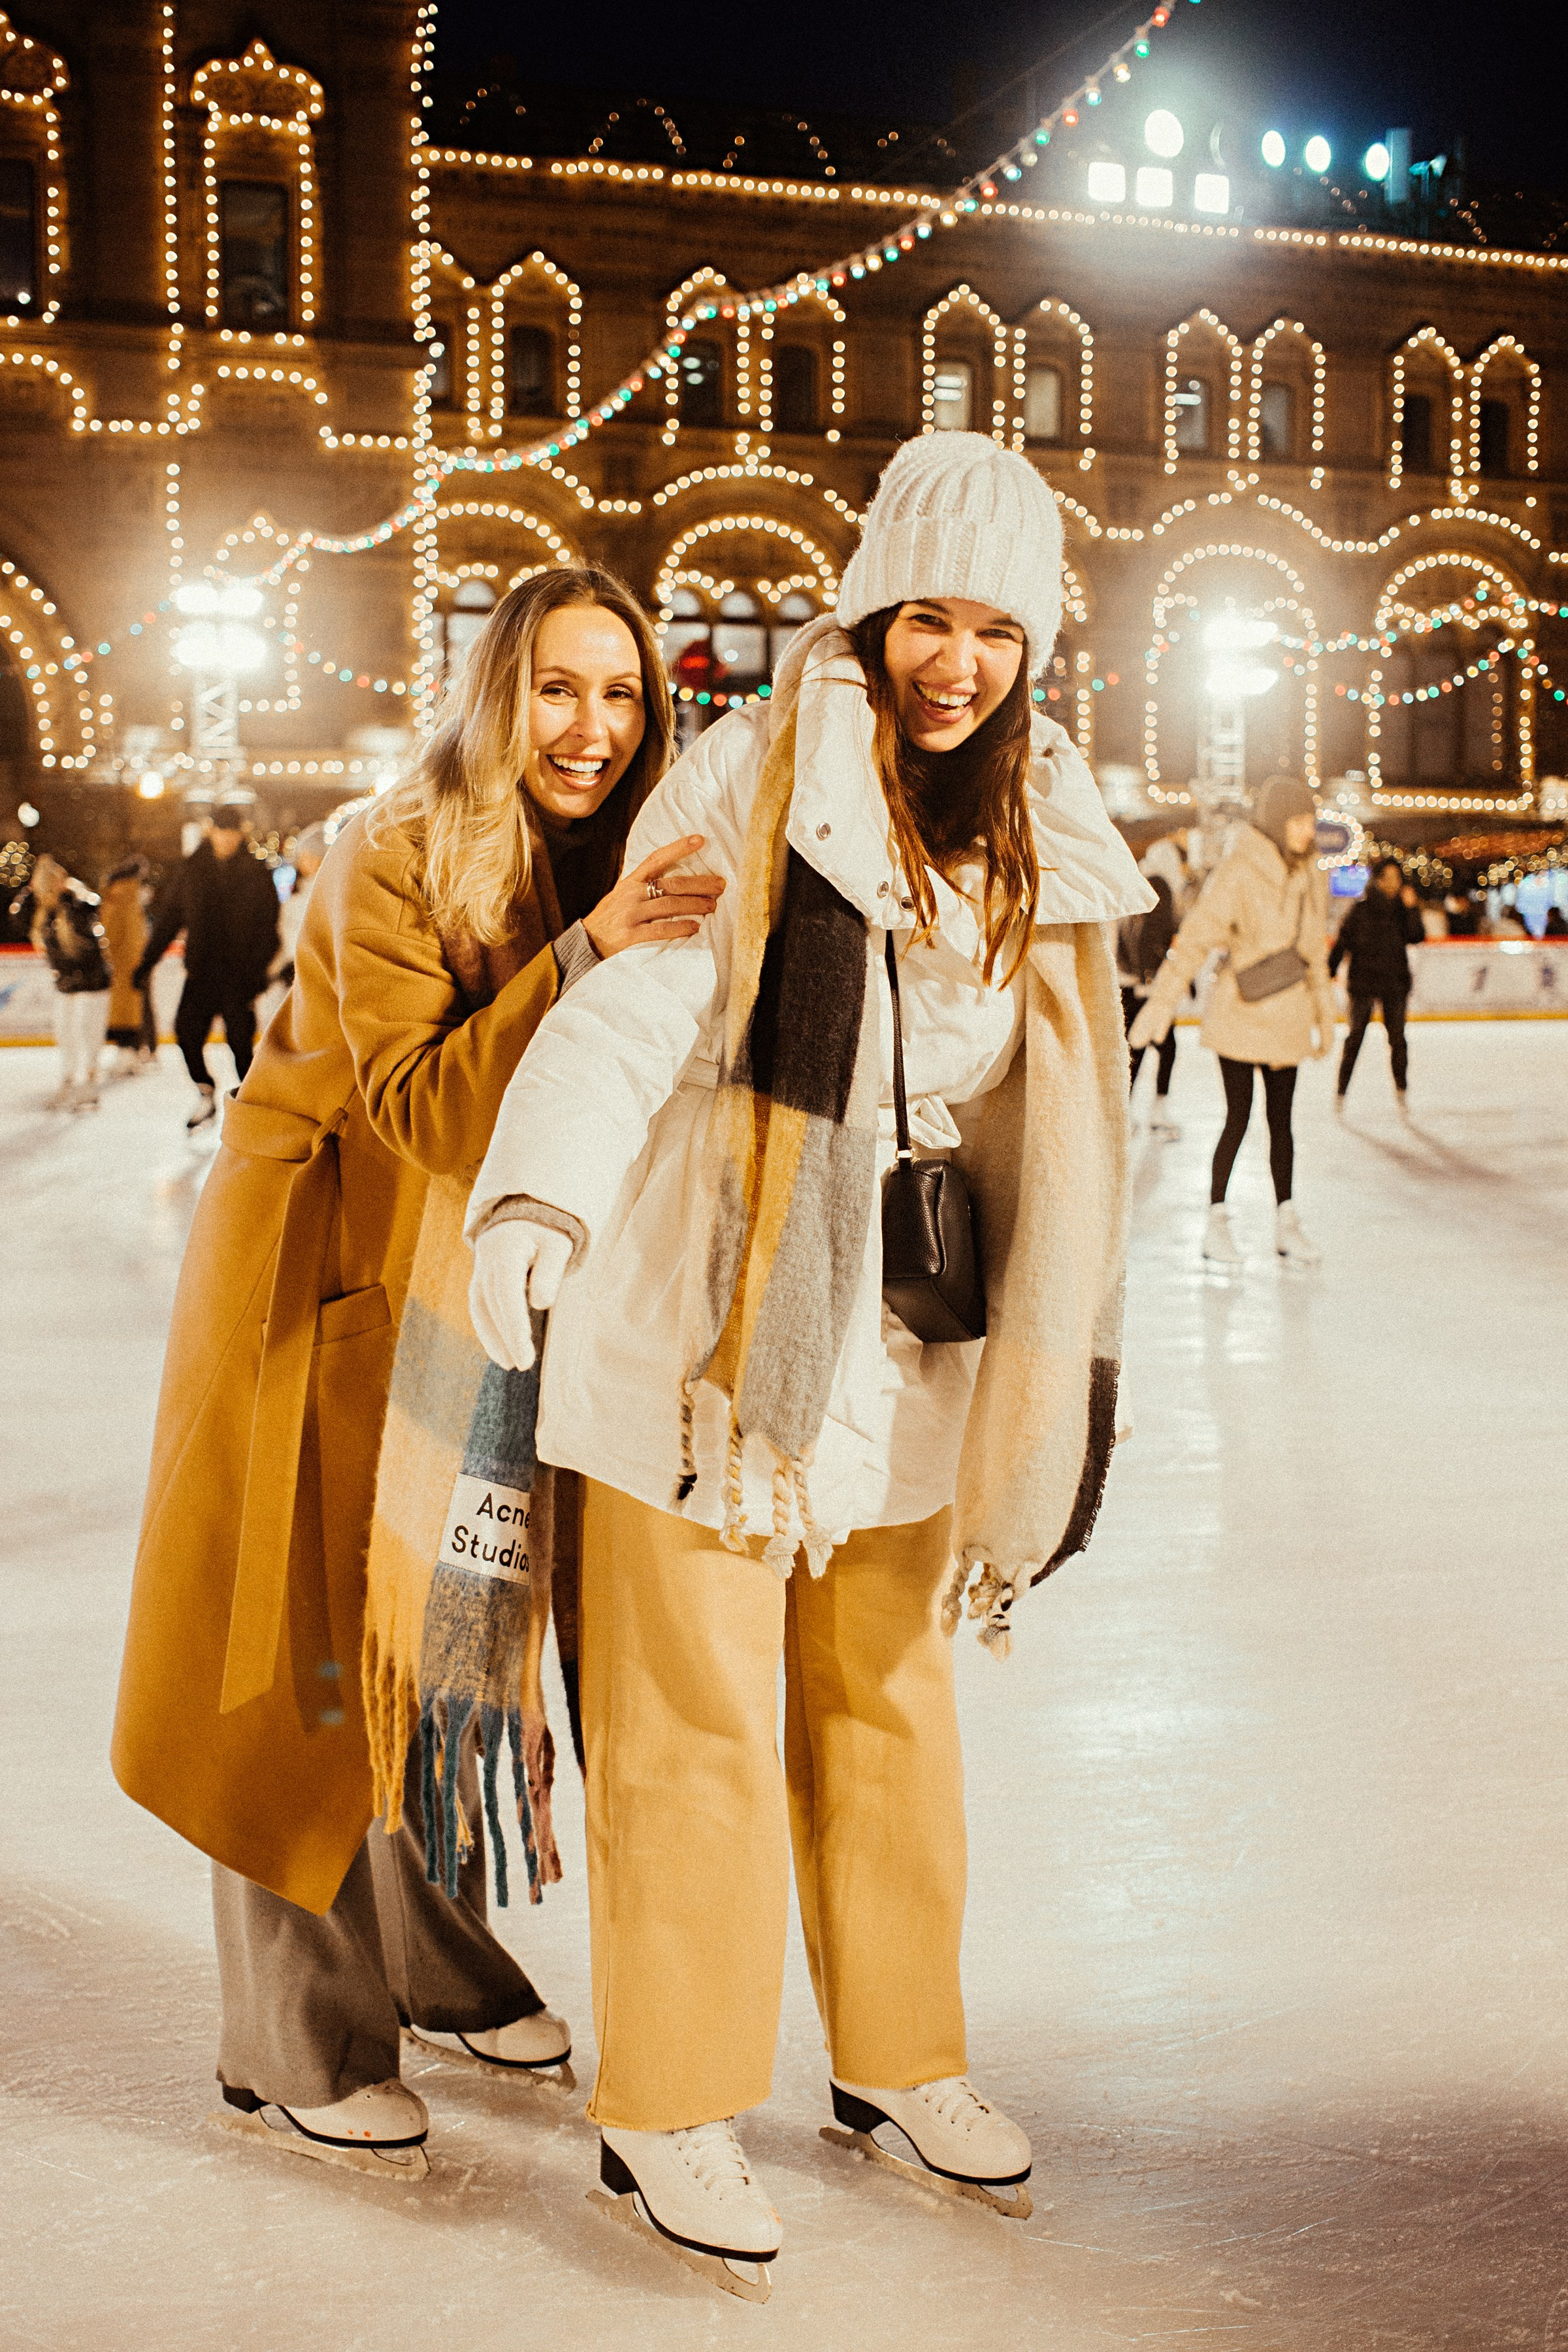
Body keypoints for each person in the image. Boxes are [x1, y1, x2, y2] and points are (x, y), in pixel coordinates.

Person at [464, 433, 1151, 2290]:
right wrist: (534, 1200)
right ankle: (665, 2105)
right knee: (695, 1720)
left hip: (925, 1332)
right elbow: (637, 1000)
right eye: (926, 615)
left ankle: (900, 2059)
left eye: (995, 627)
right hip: (724, 1334)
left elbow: (1059, 1091)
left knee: (888, 1710)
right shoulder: (758, 775)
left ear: (1034, 647)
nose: (955, 661)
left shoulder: (1045, 820)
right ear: (870, 612)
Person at [112, 567, 721, 2179]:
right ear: (493, 690)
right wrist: (589, 947)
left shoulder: (620, 849)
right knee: (306, 1651)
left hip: (470, 1293)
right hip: (320, 1278)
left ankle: (433, 1956)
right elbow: (430, 1106)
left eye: (621, 694)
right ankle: (291, 2034)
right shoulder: (390, 847)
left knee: (441, 1626)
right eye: (557, 689)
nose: (591, 728)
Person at [1129, 777, 1332, 1268]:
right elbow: (1195, 940)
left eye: (1310, 821)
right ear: (1278, 821)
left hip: (1287, 1014)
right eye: (1299, 821)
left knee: (1281, 1124)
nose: (1307, 831)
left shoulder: (1309, 875)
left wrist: (1325, 1018)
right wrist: (1159, 1006)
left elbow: (1313, 953)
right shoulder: (1240, 870)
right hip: (1240, 1014)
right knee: (1238, 1119)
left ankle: (1286, 1222)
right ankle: (1216, 1222)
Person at [133, 797, 281, 1130]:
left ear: (240, 835)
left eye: (234, 833)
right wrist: (147, 962)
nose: (228, 839)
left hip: (239, 975)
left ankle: (253, 1108)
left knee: (242, 1045)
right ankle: (205, 1091)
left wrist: (258, 972)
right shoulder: (192, 870)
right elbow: (170, 919)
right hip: (201, 973)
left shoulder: (256, 872)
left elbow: (269, 926)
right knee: (187, 1034)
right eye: (222, 832)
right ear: (211, 831)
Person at [1328, 857, 1424, 1113]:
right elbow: (1342, 942)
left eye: (1398, 878)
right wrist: (1330, 971)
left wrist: (1412, 908)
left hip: (1394, 984)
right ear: (1379, 880)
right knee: (1354, 1039)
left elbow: (1417, 936)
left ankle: (1401, 1090)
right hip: (1363, 983)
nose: (1395, 884)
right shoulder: (1360, 910)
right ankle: (1341, 1091)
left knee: (1398, 1040)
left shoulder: (1403, 911)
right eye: (1390, 878)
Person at [21, 853, 111, 1109]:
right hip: (66, 984)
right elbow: (16, 918)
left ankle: (89, 1079)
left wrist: (70, 895)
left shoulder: (77, 906)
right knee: (66, 1032)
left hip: (93, 983)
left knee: (88, 1031)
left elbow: (91, 921)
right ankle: (71, 1077)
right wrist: (30, 892)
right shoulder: (43, 914)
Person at [1118, 834, 1184, 1137]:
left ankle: (1127, 1112)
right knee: (1163, 1047)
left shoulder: (1139, 880)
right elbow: (1151, 935)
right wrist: (1149, 974)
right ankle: (1155, 1112)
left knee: (1137, 1049)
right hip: (1147, 985)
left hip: (1128, 983)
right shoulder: (1162, 885)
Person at [101, 854, 157, 1071]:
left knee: (129, 1010)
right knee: (141, 1006)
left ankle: (132, 1051)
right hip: (136, 961)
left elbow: (110, 933)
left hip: (125, 965)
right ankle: (143, 1049)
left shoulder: (119, 896)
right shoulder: (130, 895)